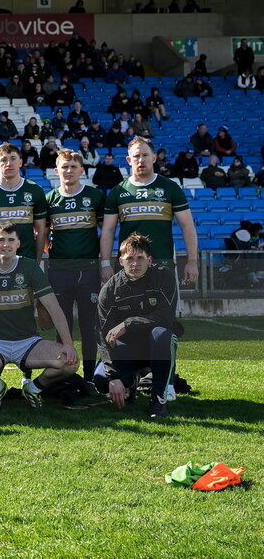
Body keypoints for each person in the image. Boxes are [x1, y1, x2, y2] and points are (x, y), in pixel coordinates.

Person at [0, 223, 79, 409]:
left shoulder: (29, 267)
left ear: (18, 243)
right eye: (1, 240)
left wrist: (68, 343)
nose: (6, 244)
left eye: (11, 240)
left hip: (28, 342)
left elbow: (53, 307)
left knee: (70, 363)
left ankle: (34, 388)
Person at [95, 233, 183, 418]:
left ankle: (158, 400)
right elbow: (103, 336)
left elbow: (166, 317)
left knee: (162, 335)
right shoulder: (110, 290)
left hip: (156, 347)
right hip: (126, 348)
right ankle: (130, 381)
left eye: (140, 258)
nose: (135, 264)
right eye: (130, 259)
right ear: (120, 261)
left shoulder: (163, 276)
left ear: (149, 260)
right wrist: (114, 378)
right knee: (101, 381)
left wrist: (128, 323)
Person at [100, 137, 199, 288]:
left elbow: (187, 226)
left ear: (153, 158)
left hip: (162, 265)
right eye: (136, 156)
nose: (141, 160)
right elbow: (107, 230)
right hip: (129, 267)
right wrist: (105, 263)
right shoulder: (117, 191)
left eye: (145, 155)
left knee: (163, 312)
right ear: (128, 160)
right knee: (128, 311)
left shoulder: (170, 187)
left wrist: (192, 261)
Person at [46, 150, 105, 384]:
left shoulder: (95, 197)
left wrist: (104, 261)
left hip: (88, 270)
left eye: (73, 166)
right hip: (59, 271)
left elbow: (106, 232)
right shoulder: (50, 199)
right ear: (56, 170)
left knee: (89, 325)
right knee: (62, 326)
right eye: (64, 166)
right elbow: (41, 233)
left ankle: (90, 376)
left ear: (82, 170)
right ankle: (64, 375)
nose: (68, 170)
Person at [0, 143, 49, 261]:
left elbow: (41, 231)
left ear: (20, 162)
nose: (8, 164)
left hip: (27, 260)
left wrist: (37, 260)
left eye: (13, 159)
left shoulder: (35, 190)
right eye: (3, 160)